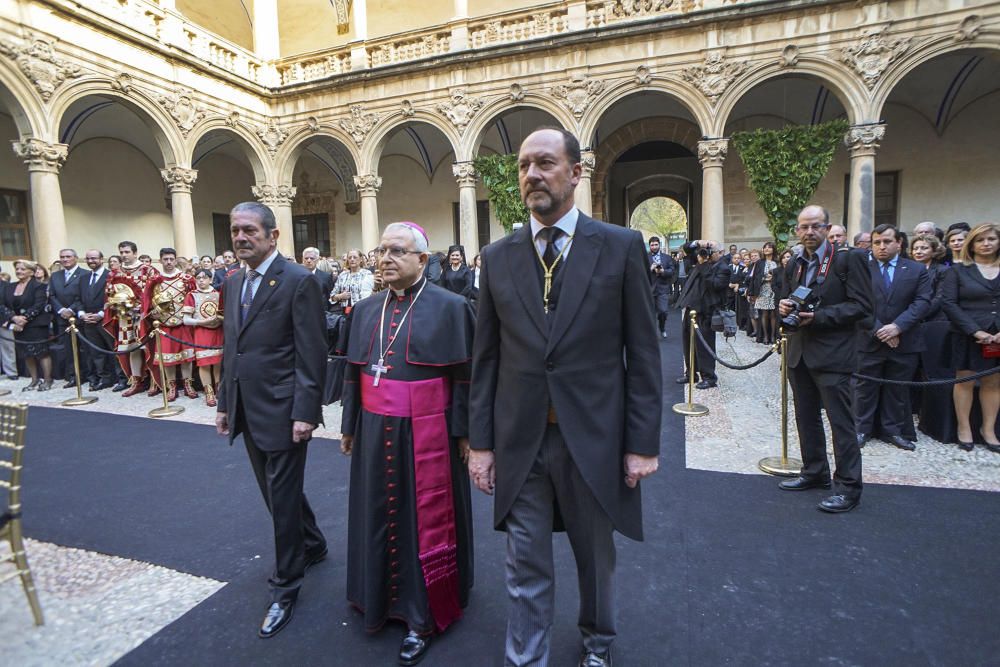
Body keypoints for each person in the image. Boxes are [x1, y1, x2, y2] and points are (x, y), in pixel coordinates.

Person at [469, 128, 661, 667]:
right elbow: (485, 360)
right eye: (525, 165)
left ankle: (598, 641)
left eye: (546, 163)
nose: (532, 174)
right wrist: (480, 444)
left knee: (595, 558)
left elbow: (644, 354)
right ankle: (526, 657)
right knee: (523, 560)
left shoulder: (620, 246)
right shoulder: (498, 256)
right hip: (521, 441)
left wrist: (642, 443)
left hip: (594, 439)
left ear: (576, 172)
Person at [339, 222, 475, 666]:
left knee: (424, 519)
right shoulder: (365, 310)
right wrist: (349, 425)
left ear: (423, 258)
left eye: (397, 250)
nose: (385, 259)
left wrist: (466, 434)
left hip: (428, 431)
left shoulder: (452, 307)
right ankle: (375, 597)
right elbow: (353, 372)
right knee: (377, 509)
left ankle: (422, 614)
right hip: (375, 430)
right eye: (381, 251)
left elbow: (466, 379)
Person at [215, 202, 328, 638]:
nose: (241, 238)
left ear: (273, 235)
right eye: (235, 230)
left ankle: (285, 587)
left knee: (280, 499)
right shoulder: (232, 281)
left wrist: (305, 412)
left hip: (284, 412)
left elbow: (311, 352)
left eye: (249, 231)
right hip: (247, 406)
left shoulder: (299, 281)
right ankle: (313, 544)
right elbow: (233, 347)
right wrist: (226, 403)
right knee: (274, 491)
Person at [777, 205, 873, 513]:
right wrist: (786, 307)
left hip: (833, 355)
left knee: (841, 423)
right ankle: (814, 471)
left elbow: (862, 307)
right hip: (799, 353)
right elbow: (796, 296)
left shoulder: (848, 259)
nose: (808, 232)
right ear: (797, 230)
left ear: (827, 228)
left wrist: (818, 317)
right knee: (806, 418)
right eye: (803, 227)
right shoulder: (794, 263)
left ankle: (848, 487)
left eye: (815, 226)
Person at [854, 225, 932, 451]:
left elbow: (922, 302)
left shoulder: (916, 270)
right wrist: (881, 330)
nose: (881, 246)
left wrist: (897, 327)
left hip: (905, 340)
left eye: (887, 241)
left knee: (897, 389)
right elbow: (856, 303)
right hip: (868, 339)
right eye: (876, 242)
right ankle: (861, 429)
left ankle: (893, 430)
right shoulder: (862, 269)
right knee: (864, 388)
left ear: (899, 243)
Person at [941, 222, 1000, 452]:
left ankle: (988, 429)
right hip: (968, 334)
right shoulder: (958, 270)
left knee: (993, 382)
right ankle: (964, 428)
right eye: (980, 240)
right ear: (971, 244)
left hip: (997, 337)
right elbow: (949, 303)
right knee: (964, 381)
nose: (986, 244)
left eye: (991, 239)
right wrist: (976, 331)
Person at [104, 241, 158, 397]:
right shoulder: (115, 272)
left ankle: (155, 381)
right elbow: (109, 293)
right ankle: (136, 381)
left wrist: (146, 308)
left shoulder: (148, 270)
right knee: (132, 349)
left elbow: (156, 293)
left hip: (145, 317)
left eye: (126, 252)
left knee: (149, 347)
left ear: (135, 253)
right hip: (124, 317)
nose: (123, 255)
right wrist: (115, 304)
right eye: (121, 252)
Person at [145, 248, 197, 401]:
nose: (168, 262)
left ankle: (188, 384)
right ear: (160, 260)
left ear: (175, 260)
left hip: (183, 323)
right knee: (167, 359)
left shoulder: (186, 278)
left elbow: (194, 297)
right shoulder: (154, 280)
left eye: (171, 259)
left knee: (187, 356)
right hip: (164, 325)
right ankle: (171, 386)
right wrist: (152, 312)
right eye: (165, 259)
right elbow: (147, 302)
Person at [676, 241, 727, 389]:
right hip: (691, 307)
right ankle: (690, 373)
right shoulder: (698, 261)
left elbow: (715, 285)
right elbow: (686, 249)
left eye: (713, 251)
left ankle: (709, 377)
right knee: (688, 342)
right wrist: (697, 243)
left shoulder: (723, 268)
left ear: (720, 253)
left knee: (705, 345)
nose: (708, 254)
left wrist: (704, 265)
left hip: (706, 311)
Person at [3, 260, 53, 391]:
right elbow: (2, 305)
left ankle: (47, 380)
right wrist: (14, 318)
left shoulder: (39, 286)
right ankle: (34, 379)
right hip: (18, 326)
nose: (19, 271)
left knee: (42, 353)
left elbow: (39, 305)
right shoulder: (9, 287)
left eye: (22, 269)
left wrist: (23, 319)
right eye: (17, 269)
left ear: (31, 272)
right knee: (26, 353)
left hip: (35, 324)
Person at [78, 250, 121, 391]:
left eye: (94, 258)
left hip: (106, 319)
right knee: (96, 352)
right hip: (88, 320)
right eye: (88, 258)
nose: (91, 261)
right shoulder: (84, 278)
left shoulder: (111, 276)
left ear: (102, 259)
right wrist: (82, 314)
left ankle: (121, 378)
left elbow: (115, 297)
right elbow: (78, 298)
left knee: (113, 350)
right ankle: (104, 378)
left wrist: (102, 313)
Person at [181, 269, 223, 407]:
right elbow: (186, 320)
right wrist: (202, 322)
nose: (201, 280)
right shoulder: (192, 295)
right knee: (204, 362)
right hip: (201, 332)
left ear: (210, 279)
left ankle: (219, 389)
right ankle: (208, 391)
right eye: (198, 278)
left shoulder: (218, 294)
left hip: (218, 331)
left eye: (204, 278)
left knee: (217, 361)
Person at [48, 248, 90, 388]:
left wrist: (72, 309)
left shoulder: (85, 274)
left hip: (79, 317)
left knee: (86, 348)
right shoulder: (55, 276)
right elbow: (52, 296)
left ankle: (90, 375)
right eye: (62, 257)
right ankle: (74, 376)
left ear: (75, 258)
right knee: (69, 349)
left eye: (68, 256)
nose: (65, 259)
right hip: (62, 319)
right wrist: (61, 310)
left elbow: (84, 296)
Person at [331, 249, 374, 314]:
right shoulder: (343, 275)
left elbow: (371, 295)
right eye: (350, 257)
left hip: (362, 310)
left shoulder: (367, 274)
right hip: (345, 312)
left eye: (355, 257)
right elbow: (332, 296)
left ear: (361, 259)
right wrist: (340, 296)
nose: (352, 259)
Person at [647, 236, 675, 338]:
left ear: (659, 245)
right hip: (649, 289)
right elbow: (639, 272)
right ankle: (651, 332)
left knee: (663, 311)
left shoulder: (667, 258)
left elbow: (672, 271)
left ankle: (662, 327)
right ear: (649, 246)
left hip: (663, 289)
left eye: (656, 244)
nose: (654, 247)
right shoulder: (645, 257)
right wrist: (650, 269)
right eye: (652, 245)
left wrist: (663, 271)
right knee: (649, 313)